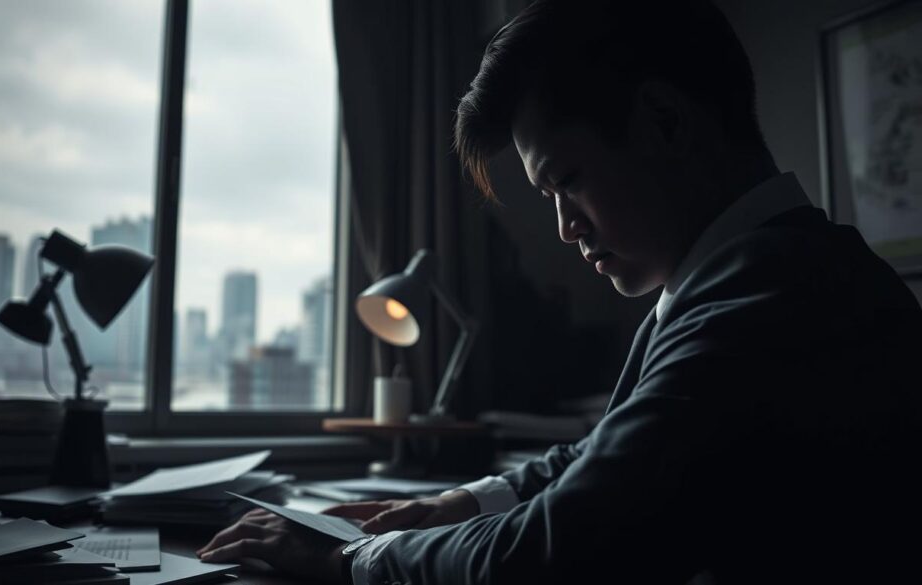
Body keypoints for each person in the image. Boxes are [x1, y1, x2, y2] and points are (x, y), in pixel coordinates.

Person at [196, 0, 922, 583]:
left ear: (666, 120)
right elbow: (609, 452)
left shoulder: (767, 304)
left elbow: (562, 545)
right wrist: (455, 503)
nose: (567, 228)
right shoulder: (755, 272)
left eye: (567, 181)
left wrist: (348, 559)